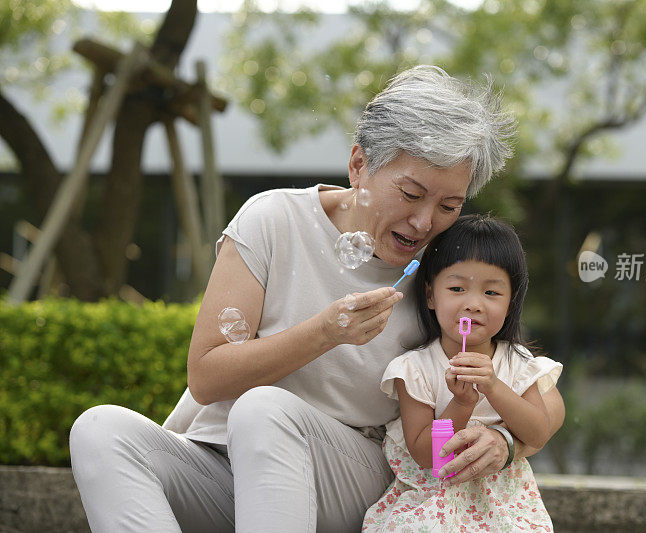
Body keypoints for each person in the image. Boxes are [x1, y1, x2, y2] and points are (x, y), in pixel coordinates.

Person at [68, 65, 564, 533]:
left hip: (349, 476)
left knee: (264, 409)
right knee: (99, 430)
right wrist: (325, 332)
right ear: (358, 164)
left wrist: (506, 439)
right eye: (411, 194)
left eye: (448, 206)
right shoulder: (273, 220)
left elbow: (531, 383)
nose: (424, 222)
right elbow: (206, 375)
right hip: (218, 465)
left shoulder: (448, 275)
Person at [362, 214, 562, 532]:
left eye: (492, 293)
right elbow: (427, 455)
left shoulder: (516, 363)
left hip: (506, 507)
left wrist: (494, 386)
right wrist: (462, 405)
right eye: (457, 288)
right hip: (432, 501)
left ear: (511, 303)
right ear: (430, 295)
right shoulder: (414, 370)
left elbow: (538, 433)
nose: (473, 304)